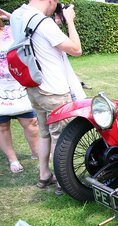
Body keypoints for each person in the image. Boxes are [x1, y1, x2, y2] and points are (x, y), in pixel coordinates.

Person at [10, 0, 82, 195]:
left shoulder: (17, 15)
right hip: (54, 91)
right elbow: (76, 49)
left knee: (44, 133)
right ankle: (62, 181)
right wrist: (70, 21)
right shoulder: (44, 23)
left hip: (33, 86)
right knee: (61, 137)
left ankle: (44, 175)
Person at [0, 9, 39, 173]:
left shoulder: (10, 30)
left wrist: (10, 17)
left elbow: (29, 29)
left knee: (31, 123)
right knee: (2, 126)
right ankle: (13, 160)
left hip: (19, 83)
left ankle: (37, 153)